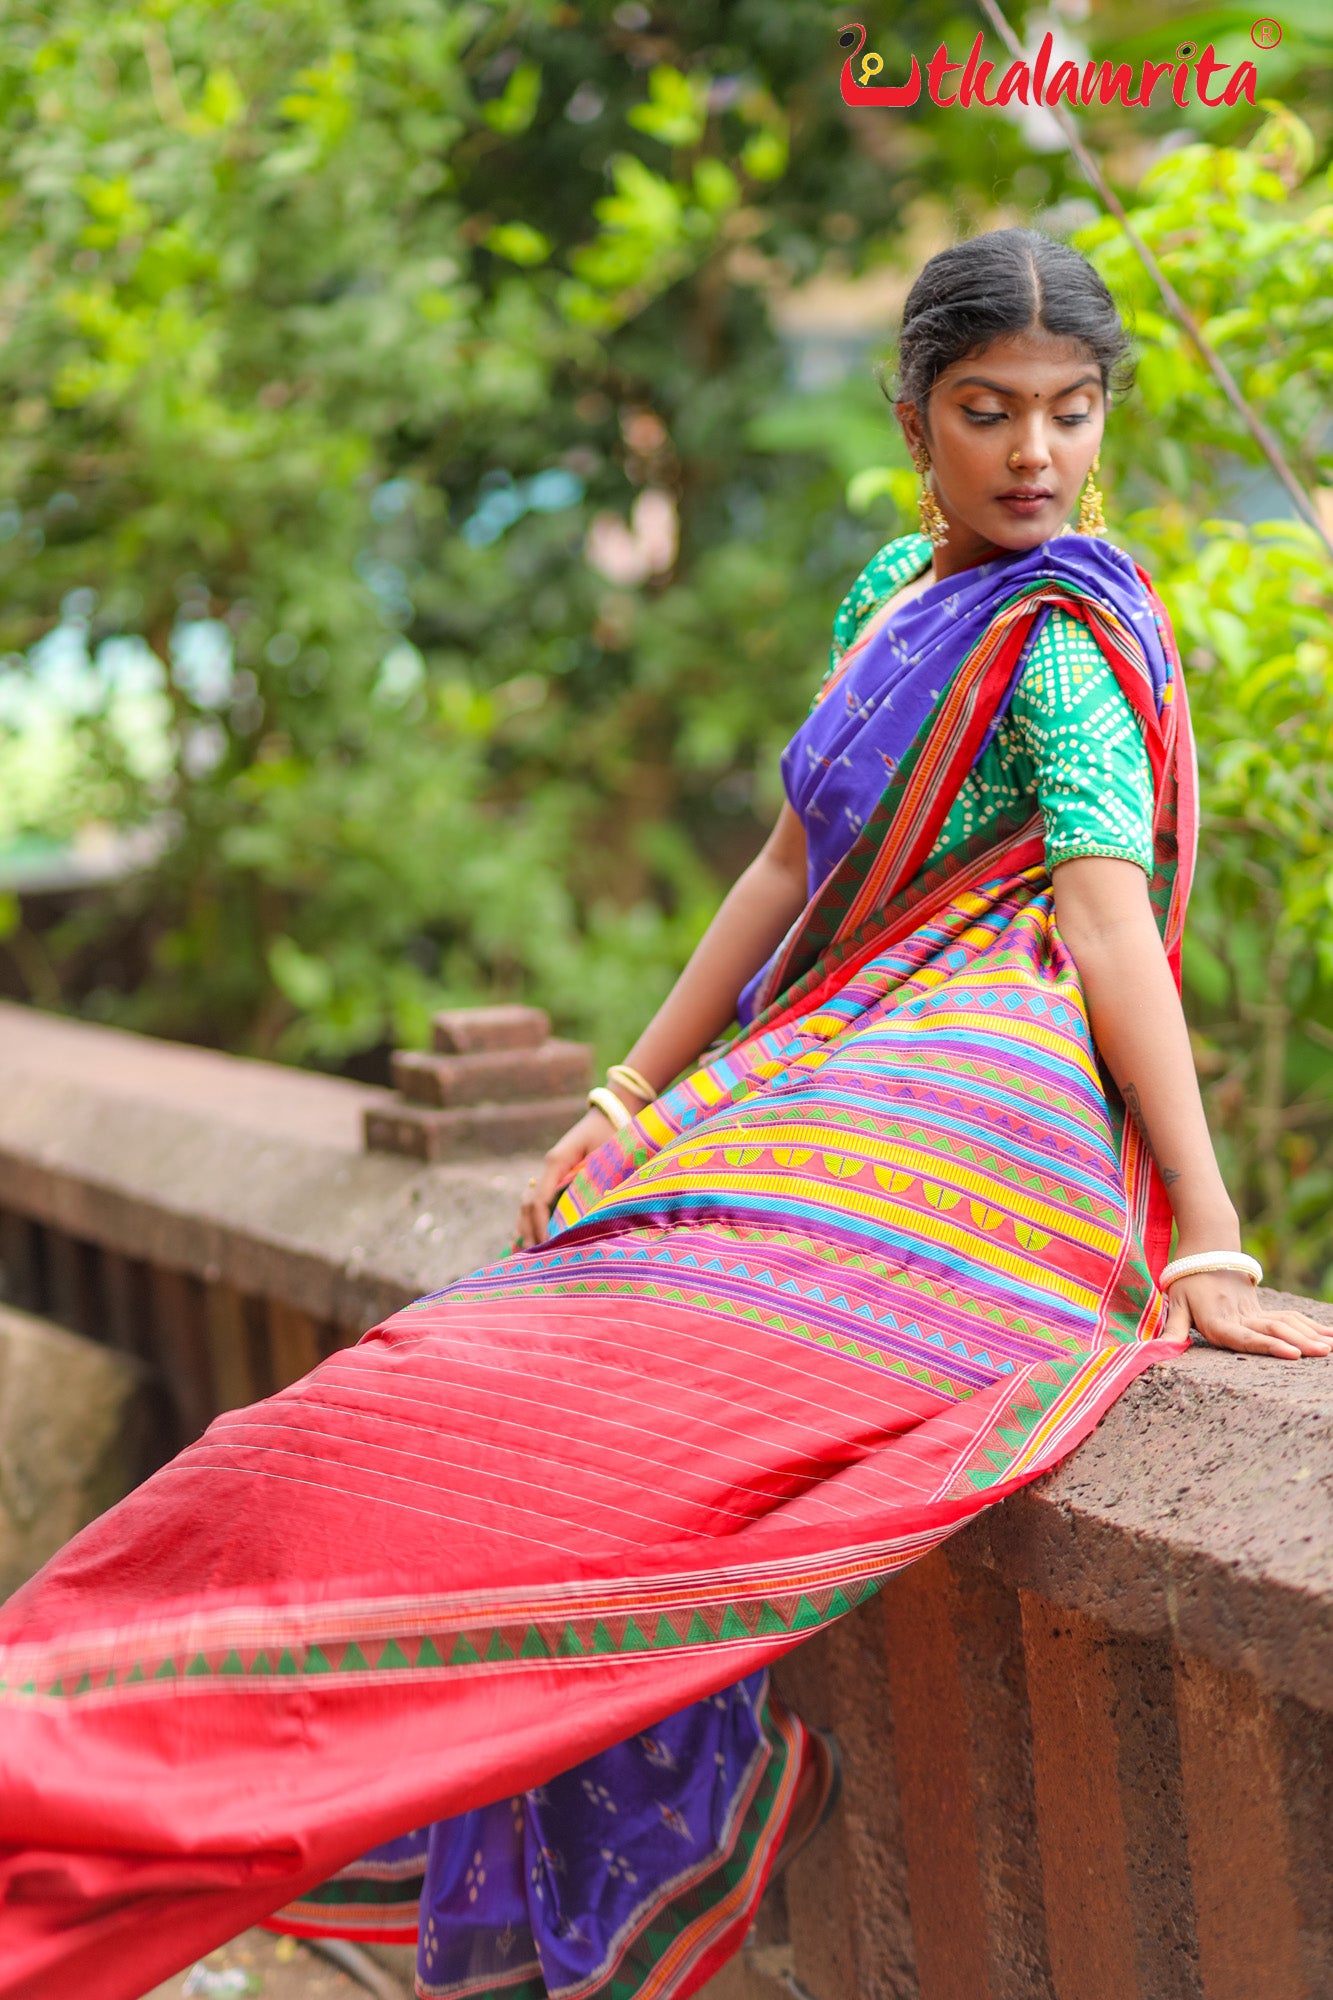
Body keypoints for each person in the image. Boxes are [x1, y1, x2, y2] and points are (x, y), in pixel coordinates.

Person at [0, 229, 1327, 2000]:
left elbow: (1101, 925)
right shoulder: (887, 600)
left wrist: (1209, 1240)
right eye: (987, 410)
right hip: (835, 1058)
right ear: (913, 417)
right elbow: (788, 861)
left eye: (1070, 414)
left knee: (672, 1393)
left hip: (984, 1104)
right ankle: (97, 1702)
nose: (1034, 455)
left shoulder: (1066, 643)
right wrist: (630, 1094)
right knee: (480, 1357)